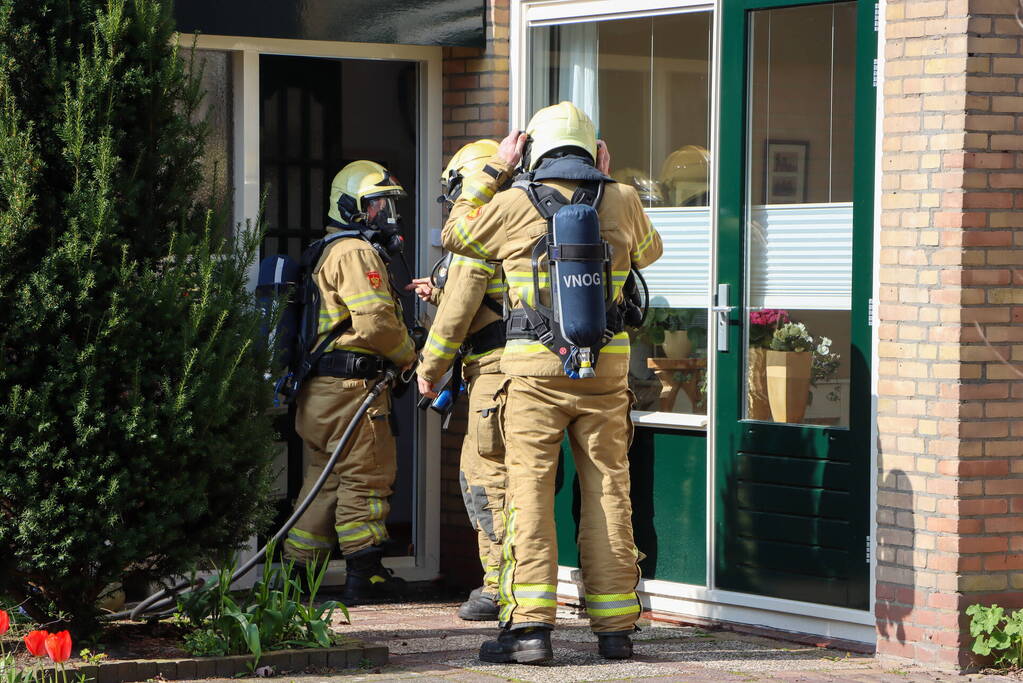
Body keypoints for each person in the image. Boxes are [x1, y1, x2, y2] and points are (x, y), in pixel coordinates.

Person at [441, 102, 663, 664]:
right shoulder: (622, 199)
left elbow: (456, 235)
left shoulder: (513, 202)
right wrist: (611, 179)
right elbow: (651, 252)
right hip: (606, 371)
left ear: (532, 151)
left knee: (529, 496)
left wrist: (495, 170)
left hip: (534, 374)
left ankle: (530, 632)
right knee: (610, 491)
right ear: (595, 150)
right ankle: (615, 629)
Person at [283, 160, 417, 606]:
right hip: (352, 391)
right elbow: (377, 322)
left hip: (321, 394)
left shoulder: (326, 250)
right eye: (376, 204)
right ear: (351, 207)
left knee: (323, 482)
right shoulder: (355, 253)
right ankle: (366, 576)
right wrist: (410, 358)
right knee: (366, 478)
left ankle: (297, 577)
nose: (384, 213)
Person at [412, 139, 509, 621]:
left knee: (486, 477)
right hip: (529, 369)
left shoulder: (480, 230)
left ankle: (499, 585)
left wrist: (428, 371)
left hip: (494, 374)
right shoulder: (528, 218)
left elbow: (457, 317)